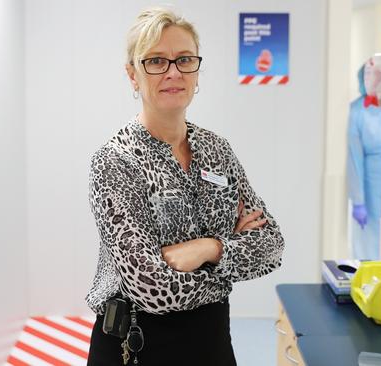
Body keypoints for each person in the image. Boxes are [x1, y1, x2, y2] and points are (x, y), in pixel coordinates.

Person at [85, 7, 285, 366]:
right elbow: (152, 289)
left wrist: (209, 248)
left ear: (197, 70)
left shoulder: (217, 150)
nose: (173, 72)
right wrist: (227, 269)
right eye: (156, 61)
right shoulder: (115, 161)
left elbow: (271, 245)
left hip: (210, 342)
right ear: (133, 74)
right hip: (135, 344)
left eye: (184, 59)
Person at [347, 64, 381, 259]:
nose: (372, 79)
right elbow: (354, 159)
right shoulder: (356, 111)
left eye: (377, 74)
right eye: (368, 75)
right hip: (370, 183)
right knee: (369, 241)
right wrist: (358, 200)